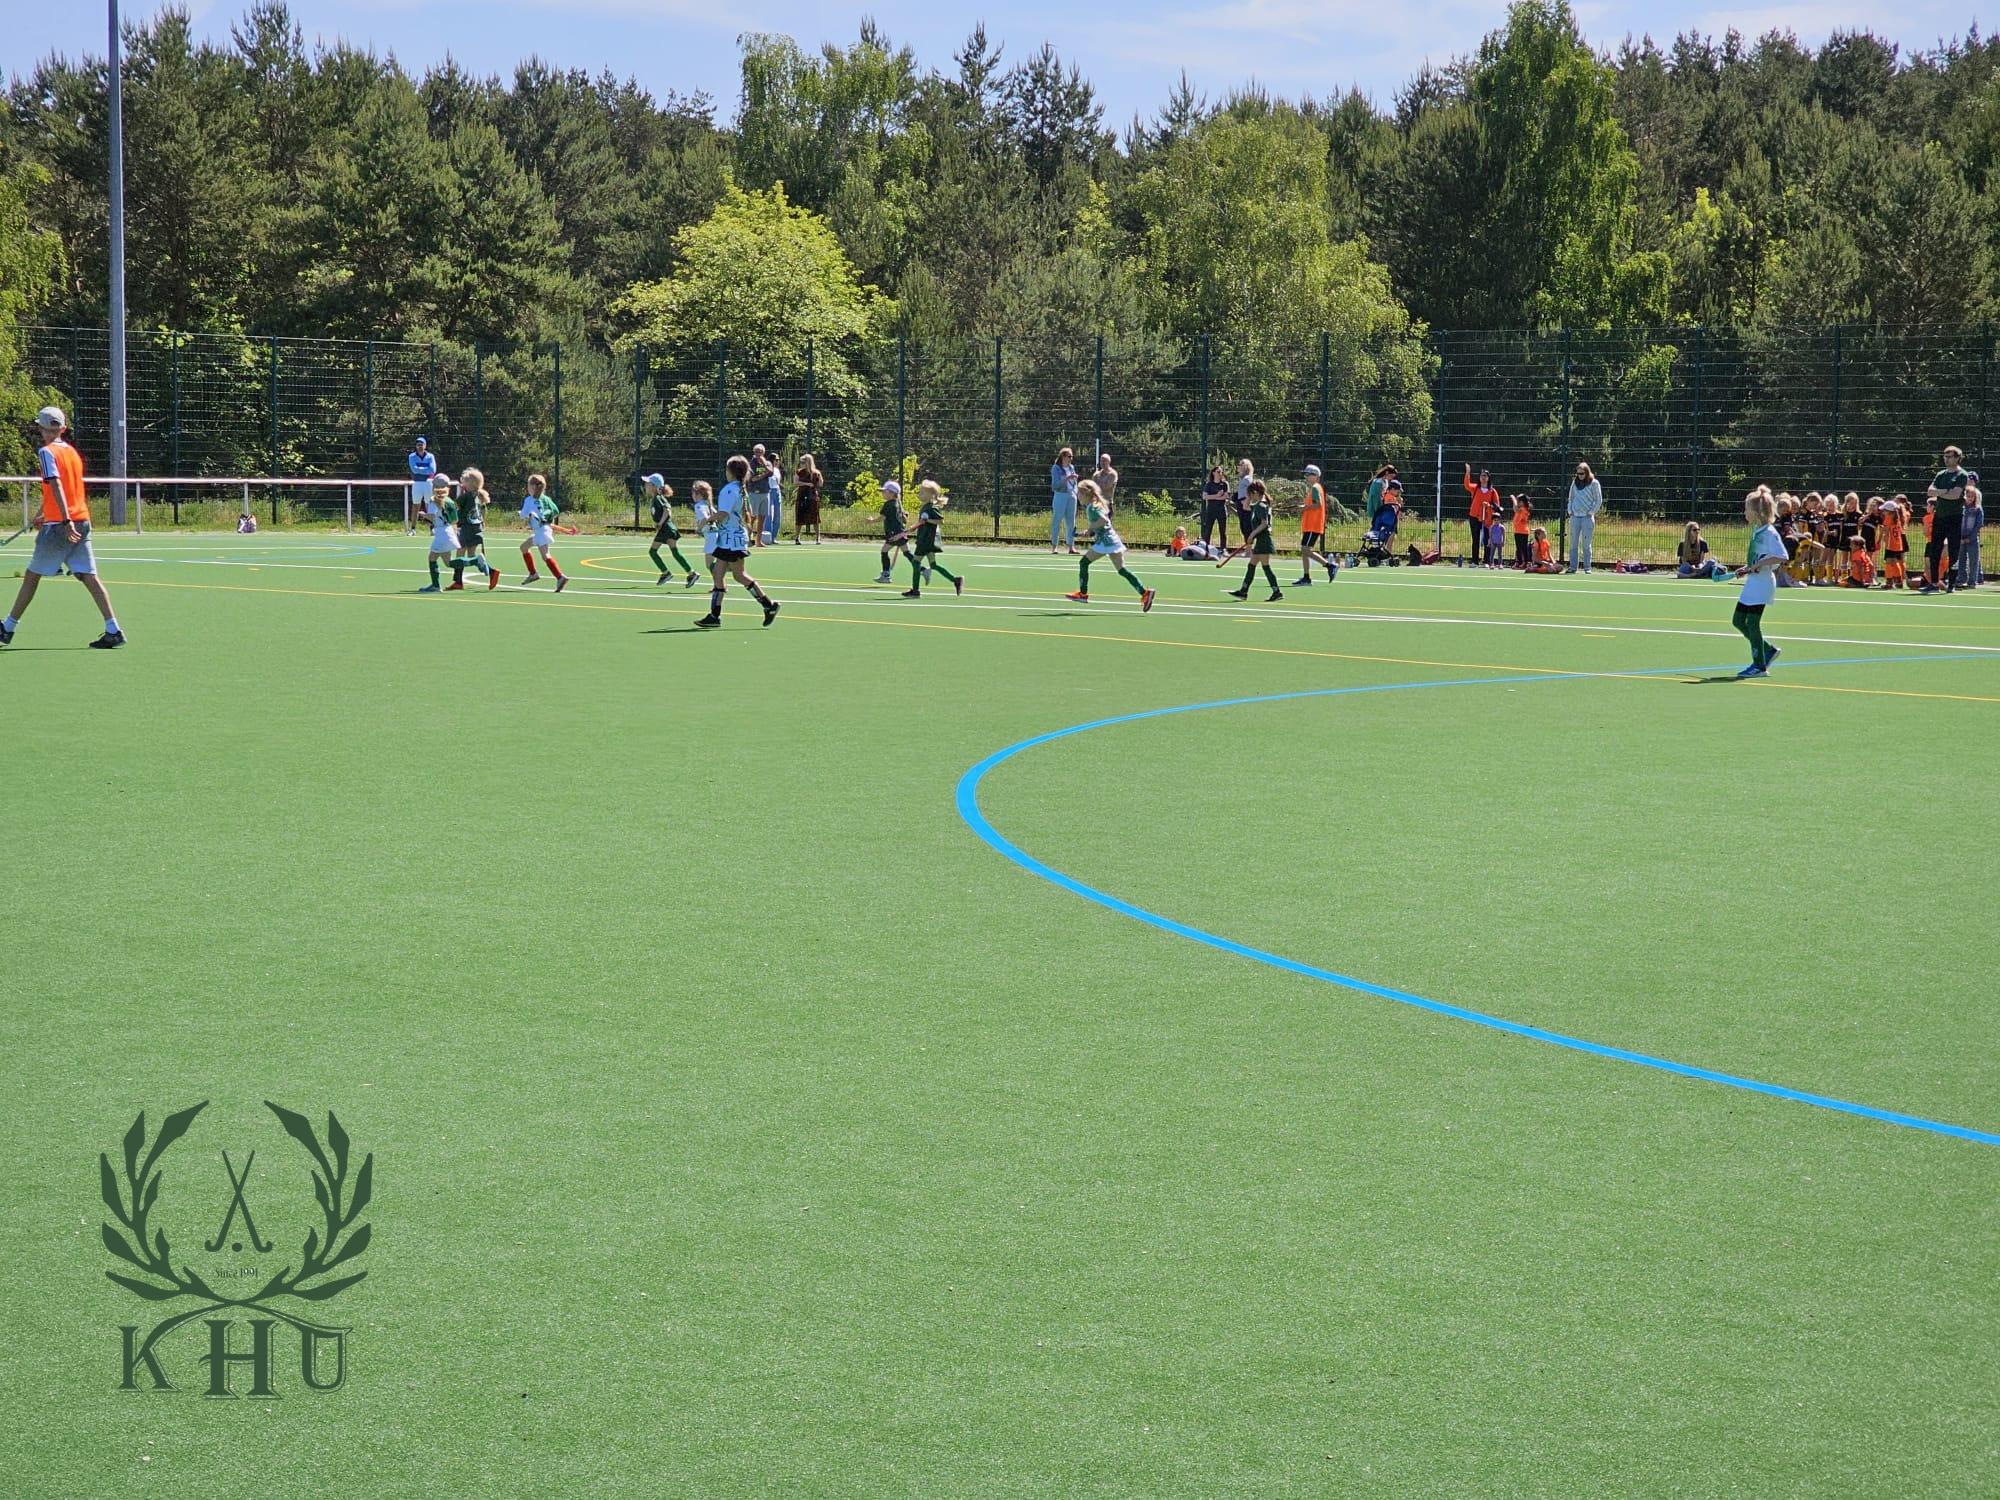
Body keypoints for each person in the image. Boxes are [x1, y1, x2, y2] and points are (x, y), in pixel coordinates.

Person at [1, 405, 123, 648]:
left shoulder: (46, 452)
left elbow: (56, 485)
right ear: (63, 428)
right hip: (82, 521)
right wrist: (43, 513)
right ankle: (114, 630)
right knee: (89, 576)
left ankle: (7, 628)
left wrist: (64, 520)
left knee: (32, 576)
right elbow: (62, 489)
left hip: (62, 525)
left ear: (41, 428)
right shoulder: (72, 453)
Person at [695, 454, 780, 629]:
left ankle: (768, 605)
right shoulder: (740, 488)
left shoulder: (730, 490)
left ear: (731, 471)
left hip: (730, 540)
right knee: (719, 574)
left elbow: (724, 513)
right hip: (731, 538)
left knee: (738, 575)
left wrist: (707, 520)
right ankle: (714, 616)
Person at [1064, 480, 1155, 610]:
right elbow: (1102, 525)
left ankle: (1083, 594)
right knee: (1122, 570)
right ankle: (1145, 593)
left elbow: (1103, 520)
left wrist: (1091, 528)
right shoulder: (1097, 504)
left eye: (1079, 493)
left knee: (1083, 563)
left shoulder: (1092, 507)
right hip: (1113, 540)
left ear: (1085, 494)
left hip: (1105, 542)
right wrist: (1089, 531)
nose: (1078, 496)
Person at [1728, 487, 1787, 677]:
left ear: (1756, 512)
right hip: (1754, 582)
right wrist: (1746, 568)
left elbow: (1782, 556)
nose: (1744, 512)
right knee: (1738, 620)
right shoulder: (1757, 530)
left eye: (1747, 509)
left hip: (1763, 584)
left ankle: (1759, 666)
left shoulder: (1769, 532)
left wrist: (1760, 564)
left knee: (1752, 623)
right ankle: (1768, 650)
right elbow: (1758, 557)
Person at [1223, 479, 1284, 601]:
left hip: (1264, 540)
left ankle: (1276, 592)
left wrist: (1252, 535)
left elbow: (1264, 524)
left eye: (1250, 494)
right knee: (1252, 565)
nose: (1249, 496)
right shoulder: (1258, 505)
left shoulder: (1261, 506)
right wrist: (1248, 497)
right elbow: (1245, 507)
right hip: (1260, 540)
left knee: (1266, 567)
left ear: (1255, 492)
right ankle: (1243, 591)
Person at [1921, 446, 1971, 592]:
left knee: (1953, 551)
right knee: (1934, 550)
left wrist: (1940, 492)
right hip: (1940, 516)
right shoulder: (1940, 474)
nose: (1946, 459)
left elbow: (1955, 495)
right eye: (1945, 456)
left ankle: (1951, 584)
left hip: (1954, 517)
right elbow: (1930, 491)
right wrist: (1946, 491)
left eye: (1949, 456)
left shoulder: (1962, 475)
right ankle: (1934, 583)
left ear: (1957, 458)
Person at [903, 480, 964, 598]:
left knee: (916, 562)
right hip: (925, 539)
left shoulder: (931, 508)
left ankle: (915, 591)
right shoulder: (925, 507)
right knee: (933, 565)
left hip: (926, 541)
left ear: (930, 495)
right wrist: (914, 527)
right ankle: (956, 580)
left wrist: (927, 521)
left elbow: (941, 521)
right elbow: (922, 522)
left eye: (922, 492)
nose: (919, 494)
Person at [448, 467, 501, 590]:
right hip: (476, 529)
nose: (462, 483)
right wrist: (483, 522)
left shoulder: (465, 496)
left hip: (466, 528)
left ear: (471, 483)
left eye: (465, 481)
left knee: (460, 553)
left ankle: (458, 581)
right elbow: (483, 511)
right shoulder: (479, 495)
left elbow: (453, 507)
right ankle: (492, 572)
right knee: (471, 555)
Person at [644, 474, 701, 588]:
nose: (645, 485)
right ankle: (690, 573)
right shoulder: (656, 498)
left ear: (654, 486)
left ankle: (667, 573)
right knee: (673, 552)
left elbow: (667, 510)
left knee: (653, 552)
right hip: (666, 529)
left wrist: (660, 523)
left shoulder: (658, 498)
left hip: (667, 529)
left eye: (648, 483)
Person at [517, 473, 567, 591]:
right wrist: (545, 517)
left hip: (541, 531)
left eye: (528, 485)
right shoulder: (546, 499)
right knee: (524, 547)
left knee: (545, 555)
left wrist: (521, 513)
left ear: (532, 487)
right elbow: (556, 511)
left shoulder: (529, 500)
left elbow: (523, 515)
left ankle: (560, 577)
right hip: (545, 529)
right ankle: (533, 573)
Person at [1293, 463, 1338, 585]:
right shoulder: (1314, 488)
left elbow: (1318, 504)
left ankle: (1329, 565)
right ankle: (1306, 577)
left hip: (1313, 525)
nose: (1306, 477)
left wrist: (1304, 507)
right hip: (1310, 525)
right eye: (1306, 475)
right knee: (1305, 550)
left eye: (1309, 474)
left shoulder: (1315, 488)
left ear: (1316, 476)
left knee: (1305, 549)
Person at [418, 473, 460, 593]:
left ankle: (435, 586)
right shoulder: (449, 501)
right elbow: (455, 519)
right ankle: (476, 560)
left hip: (441, 533)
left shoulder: (434, 500)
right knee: (448, 562)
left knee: (432, 558)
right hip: (448, 530)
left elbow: (432, 516)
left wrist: (423, 515)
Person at [1564, 462, 1603, 573]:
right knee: (1573, 543)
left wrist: (1591, 512)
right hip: (1575, 517)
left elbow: (1598, 500)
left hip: (1587, 517)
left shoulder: (1594, 483)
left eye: (1582, 473)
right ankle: (1572, 567)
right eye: (1578, 474)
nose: (1580, 476)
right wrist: (1570, 511)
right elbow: (1571, 498)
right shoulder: (1574, 483)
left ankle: (1587, 567)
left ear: (1587, 472)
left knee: (1586, 543)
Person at [876, 480, 914, 582]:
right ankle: (922, 569)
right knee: (907, 553)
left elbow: (882, 517)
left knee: (884, 551)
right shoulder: (897, 503)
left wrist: (871, 521)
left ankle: (886, 575)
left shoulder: (888, 504)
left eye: (885, 491)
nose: (883, 493)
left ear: (891, 493)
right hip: (900, 532)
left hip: (894, 534)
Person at [1464, 464, 1500, 564]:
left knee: (1487, 539)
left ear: (1488, 478)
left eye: (1485, 476)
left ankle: (1487, 561)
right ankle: (1474, 561)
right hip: (1474, 516)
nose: (1483, 477)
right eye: (1481, 475)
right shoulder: (1475, 488)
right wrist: (1467, 473)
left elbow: (1496, 505)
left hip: (1487, 518)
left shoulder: (1492, 491)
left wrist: (1488, 506)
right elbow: (1467, 485)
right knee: (1475, 539)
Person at [1050, 447, 1079, 553]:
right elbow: (1055, 485)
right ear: (1063, 456)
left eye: (1072, 456)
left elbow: (1074, 483)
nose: (1071, 458)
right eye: (1069, 456)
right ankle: (1054, 546)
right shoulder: (1056, 468)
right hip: (1060, 495)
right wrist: (1067, 478)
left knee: (1071, 522)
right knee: (1057, 520)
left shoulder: (1072, 467)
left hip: (1072, 496)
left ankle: (1071, 546)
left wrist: (1076, 492)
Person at [745, 443, 772, 548]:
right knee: (752, 517)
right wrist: (764, 475)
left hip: (765, 493)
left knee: (762, 517)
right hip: (754, 493)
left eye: (760, 452)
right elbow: (752, 479)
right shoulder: (751, 463)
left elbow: (771, 472)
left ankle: (758, 541)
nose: (758, 454)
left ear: (763, 452)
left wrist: (764, 464)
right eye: (756, 452)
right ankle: (747, 539)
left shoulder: (767, 463)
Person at [1958, 474, 1983, 588]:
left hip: (1972, 539)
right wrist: (1960, 537)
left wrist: (1970, 537)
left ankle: (1972, 581)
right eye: (1968, 496)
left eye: (1972, 497)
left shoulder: (1978, 509)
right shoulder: (1960, 508)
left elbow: (1979, 524)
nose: (1970, 498)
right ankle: (1961, 579)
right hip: (1961, 538)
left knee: (1973, 560)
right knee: (1961, 560)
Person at [792, 453, 824, 544]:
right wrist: (806, 484)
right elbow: (796, 482)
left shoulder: (816, 473)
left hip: (812, 496)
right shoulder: (799, 472)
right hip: (802, 496)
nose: (801, 464)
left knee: (815, 518)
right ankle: (797, 537)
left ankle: (818, 538)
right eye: (801, 462)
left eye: (803, 462)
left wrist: (818, 478)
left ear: (808, 462)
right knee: (799, 517)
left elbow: (821, 484)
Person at [1879, 496, 1909, 589]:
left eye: (1884, 510)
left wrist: (1883, 533)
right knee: (1895, 562)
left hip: (1891, 544)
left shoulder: (1888, 518)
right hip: (1898, 544)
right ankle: (1899, 581)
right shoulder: (1898, 518)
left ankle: (1889, 582)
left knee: (1889, 562)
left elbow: (1887, 531)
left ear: (1889, 511)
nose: (1883, 512)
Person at [1199, 464, 1230, 551]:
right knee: (1208, 530)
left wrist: (1216, 497)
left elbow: (1226, 496)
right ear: (1213, 473)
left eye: (1221, 472)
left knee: (1223, 531)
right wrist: (1217, 496)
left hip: (1221, 510)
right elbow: (1205, 496)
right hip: (1211, 510)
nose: (1220, 473)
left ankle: (1223, 549)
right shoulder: (1209, 485)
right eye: (1218, 472)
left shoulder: (1225, 484)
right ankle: (1205, 548)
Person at [407, 437, 437, 523]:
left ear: (425, 446)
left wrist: (419, 469)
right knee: (416, 506)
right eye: (418, 445)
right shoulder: (411, 456)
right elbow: (414, 470)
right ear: (416, 446)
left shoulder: (430, 456)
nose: (420, 446)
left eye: (421, 444)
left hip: (429, 483)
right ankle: (413, 528)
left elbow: (432, 470)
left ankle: (432, 527)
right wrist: (425, 469)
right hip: (417, 483)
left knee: (430, 506)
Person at [1232, 458, 1256, 544]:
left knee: (1247, 527)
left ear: (1245, 467)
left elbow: (1252, 491)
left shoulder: (1247, 479)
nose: (1238, 466)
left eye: (1240, 464)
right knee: (1243, 527)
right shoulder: (1243, 479)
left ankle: (1249, 549)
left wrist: (1246, 501)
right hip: (1241, 505)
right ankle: (1248, 547)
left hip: (1245, 506)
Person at [1510, 493, 1533, 567]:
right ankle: (1519, 562)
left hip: (1522, 531)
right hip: (1518, 531)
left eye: (1519, 501)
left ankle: (1524, 562)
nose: (1517, 503)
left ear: (1523, 502)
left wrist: (1513, 499)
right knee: (1519, 548)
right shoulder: (1521, 509)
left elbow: (1515, 509)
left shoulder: (1523, 509)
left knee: (1523, 548)